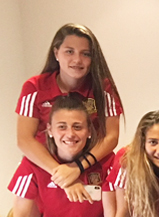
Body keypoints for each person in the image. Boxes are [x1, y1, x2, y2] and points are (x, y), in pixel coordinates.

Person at [16, 24, 123, 201]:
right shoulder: (34, 88)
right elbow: (24, 139)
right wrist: (61, 175)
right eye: (69, 52)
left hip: (90, 166)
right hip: (44, 168)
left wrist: (77, 167)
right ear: (56, 53)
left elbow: (111, 136)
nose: (77, 60)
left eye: (85, 54)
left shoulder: (103, 89)